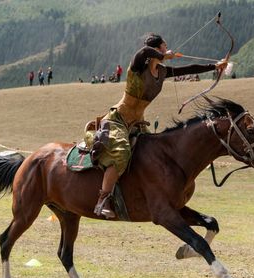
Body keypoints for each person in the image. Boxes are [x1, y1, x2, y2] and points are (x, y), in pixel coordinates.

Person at [91, 33, 228, 219]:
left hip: (138, 123)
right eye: (164, 46)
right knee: (121, 152)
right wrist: (163, 55)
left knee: (153, 156)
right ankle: (103, 200)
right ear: (157, 49)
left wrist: (214, 66)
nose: (166, 48)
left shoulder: (162, 72)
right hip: (117, 120)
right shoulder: (138, 65)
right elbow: (143, 51)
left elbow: (188, 69)